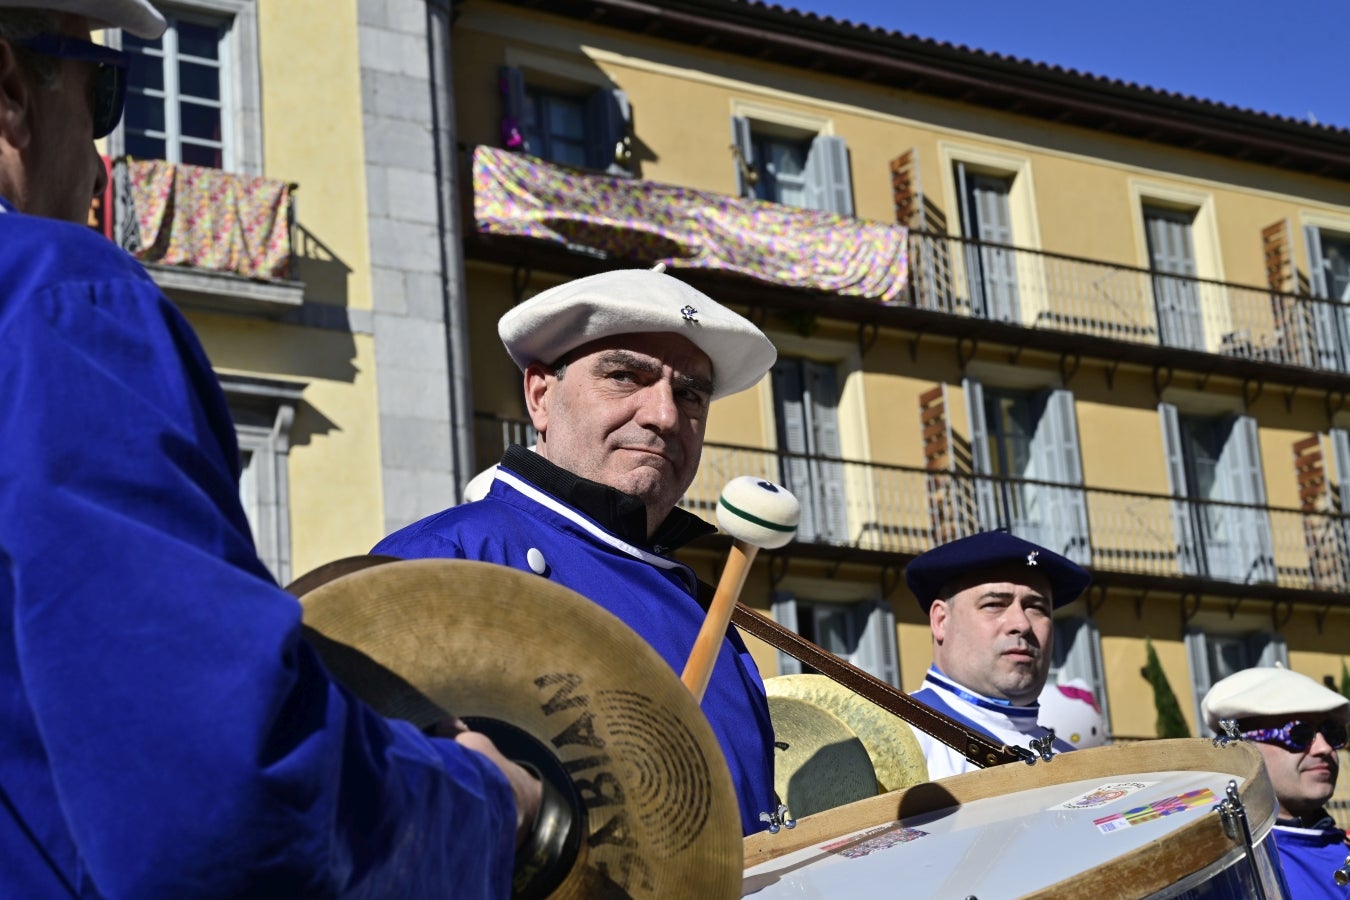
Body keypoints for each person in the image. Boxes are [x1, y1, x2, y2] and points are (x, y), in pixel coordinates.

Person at [0, 2, 538, 896]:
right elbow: (216, 802)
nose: (102, 160)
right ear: (11, 89)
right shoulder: (58, 300)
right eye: (107, 100)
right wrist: (488, 800)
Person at [374, 265, 781, 835]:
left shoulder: (699, 605)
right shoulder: (448, 560)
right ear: (541, 397)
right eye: (625, 377)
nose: (665, 415)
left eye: (689, 393)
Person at [903, 530, 1092, 778]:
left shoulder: (1073, 763)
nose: (1022, 624)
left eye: (1036, 607)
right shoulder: (900, 738)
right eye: (994, 604)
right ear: (941, 620)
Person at [1202, 667, 1350, 898]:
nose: (1324, 748)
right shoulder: (1219, 872)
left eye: (1332, 733)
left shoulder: (1343, 846)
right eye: (1299, 734)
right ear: (1242, 747)